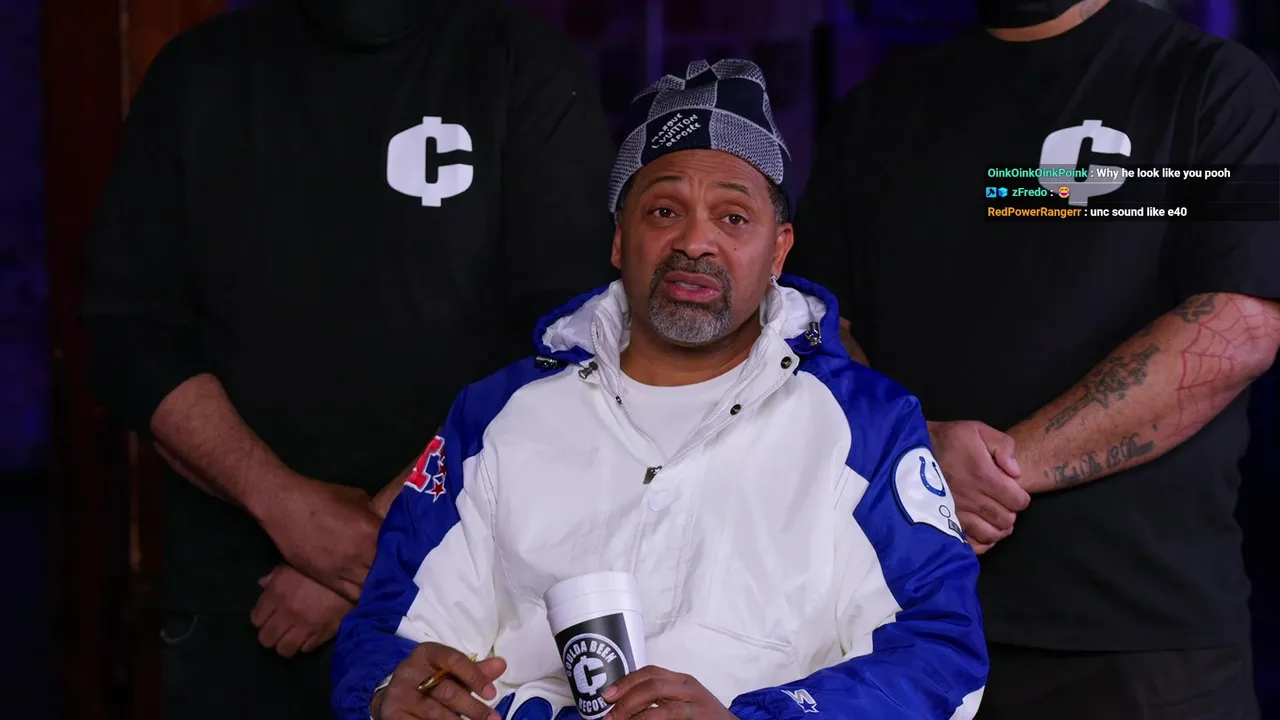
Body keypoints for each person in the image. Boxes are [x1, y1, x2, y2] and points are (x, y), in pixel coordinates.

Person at [331, 58, 988, 720]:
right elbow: (393, 627)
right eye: (665, 210)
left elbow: (938, 653)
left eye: (734, 217)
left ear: (779, 250)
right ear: (620, 239)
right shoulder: (496, 414)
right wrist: (387, 692)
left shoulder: (864, 425)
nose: (695, 241)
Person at [80, 0, 618, 716]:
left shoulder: (520, 65)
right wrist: (288, 510)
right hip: (246, 599)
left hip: (462, 591)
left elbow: (564, 338)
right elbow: (130, 334)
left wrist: (372, 546)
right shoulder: (197, 75)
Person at [785, 0, 1280, 717]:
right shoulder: (880, 108)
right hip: (900, 625)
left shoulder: (1210, 83)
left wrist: (979, 472)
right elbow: (816, 324)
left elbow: (1239, 323)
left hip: (1138, 637)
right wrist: (921, 453)